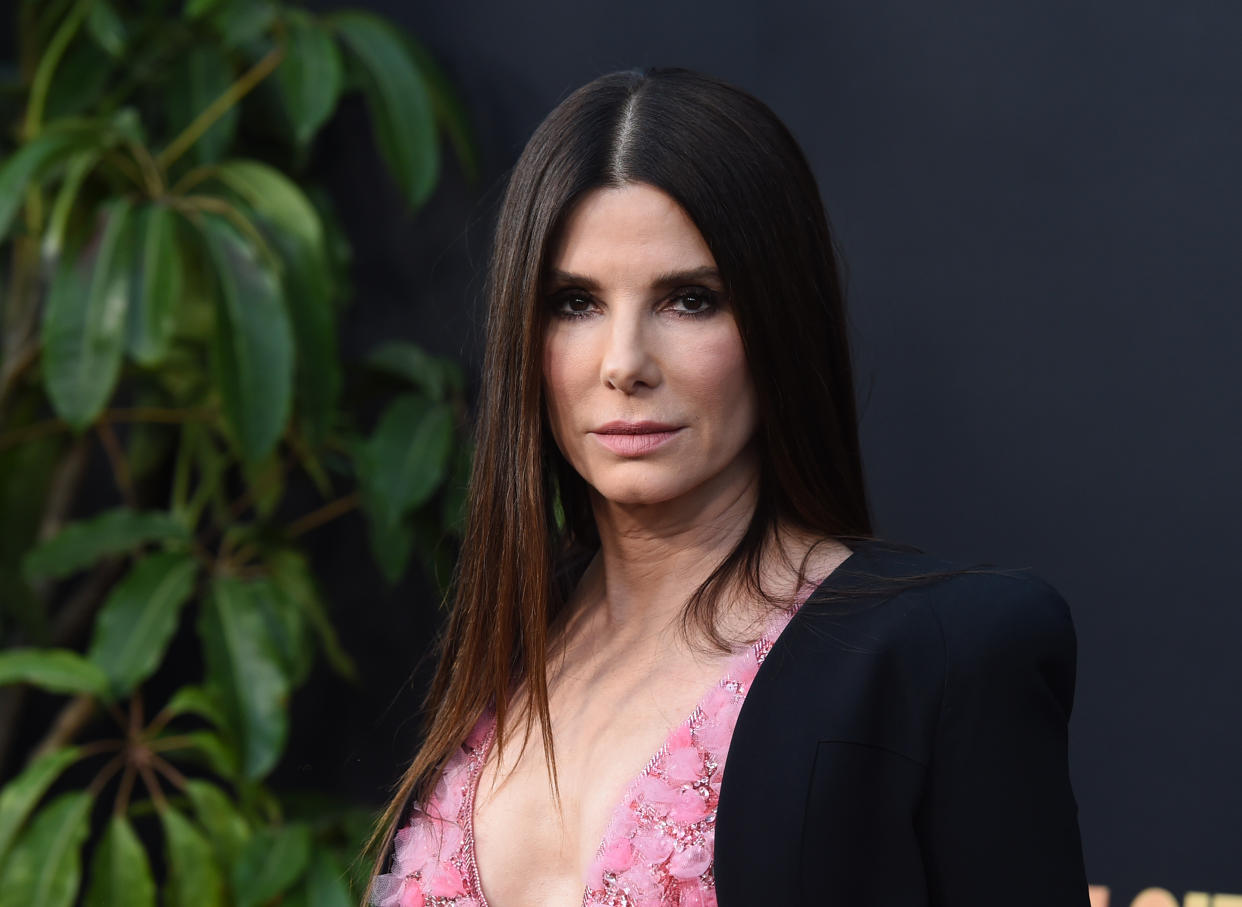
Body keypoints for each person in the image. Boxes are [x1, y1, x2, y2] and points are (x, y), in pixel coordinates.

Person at [364, 67, 1089, 907]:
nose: (623, 364)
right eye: (573, 303)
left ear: (779, 318)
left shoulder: (942, 657)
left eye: (689, 300)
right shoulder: (506, 640)